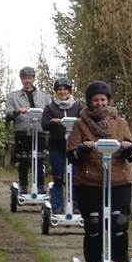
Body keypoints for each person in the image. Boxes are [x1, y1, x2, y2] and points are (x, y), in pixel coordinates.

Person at [68, 81, 132, 262]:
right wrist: (83, 148)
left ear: (108, 101)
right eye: (95, 100)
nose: (99, 103)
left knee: (120, 223)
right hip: (90, 182)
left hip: (119, 182)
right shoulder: (80, 124)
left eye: (102, 99)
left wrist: (128, 148)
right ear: (90, 102)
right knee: (93, 225)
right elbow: (71, 155)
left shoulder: (120, 123)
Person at [3, 66, 52, 193]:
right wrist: (17, 111)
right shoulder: (13, 97)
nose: (27, 80)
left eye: (29, 78)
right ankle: (23, 186)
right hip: (22, 132)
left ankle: (40, 187)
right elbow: (8, 115)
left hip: (39, 132)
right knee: (23, 160)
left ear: (33, 79)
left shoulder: (45, 96)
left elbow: (50, 113)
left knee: (39, 160)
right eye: (25, 78)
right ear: (21, 79)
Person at [41, 75, 82, 214]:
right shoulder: (50, 107)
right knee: (58, 177)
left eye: (65, 89)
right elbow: (44, 125)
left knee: (75, 178)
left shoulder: (77, 107)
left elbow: (84, 123)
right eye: (59, 89)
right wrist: (54, 122)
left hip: (74, 148)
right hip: (56, 147)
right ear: (56, 91)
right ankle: (57, 206)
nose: (62, 92)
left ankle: (76, 206)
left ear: (69, 91)